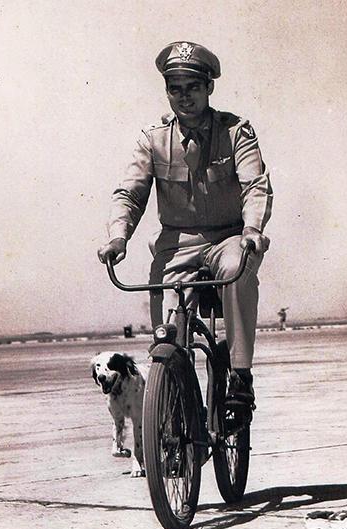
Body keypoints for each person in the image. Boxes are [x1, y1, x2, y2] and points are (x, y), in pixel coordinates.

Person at [97, 41, 273, 411]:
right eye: (174, 88)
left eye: (193, 87)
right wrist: (118, 236)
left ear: (209, 87)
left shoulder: (236, 132)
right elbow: (130, 192)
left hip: (228, 238)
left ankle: (240, 376)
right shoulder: (153, 139)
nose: (184, 97)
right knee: (168, 335)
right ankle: (172, 394)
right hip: (177, 245)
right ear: (167, 92)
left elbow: (255, 185)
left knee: (236, 269)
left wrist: (253, 231)